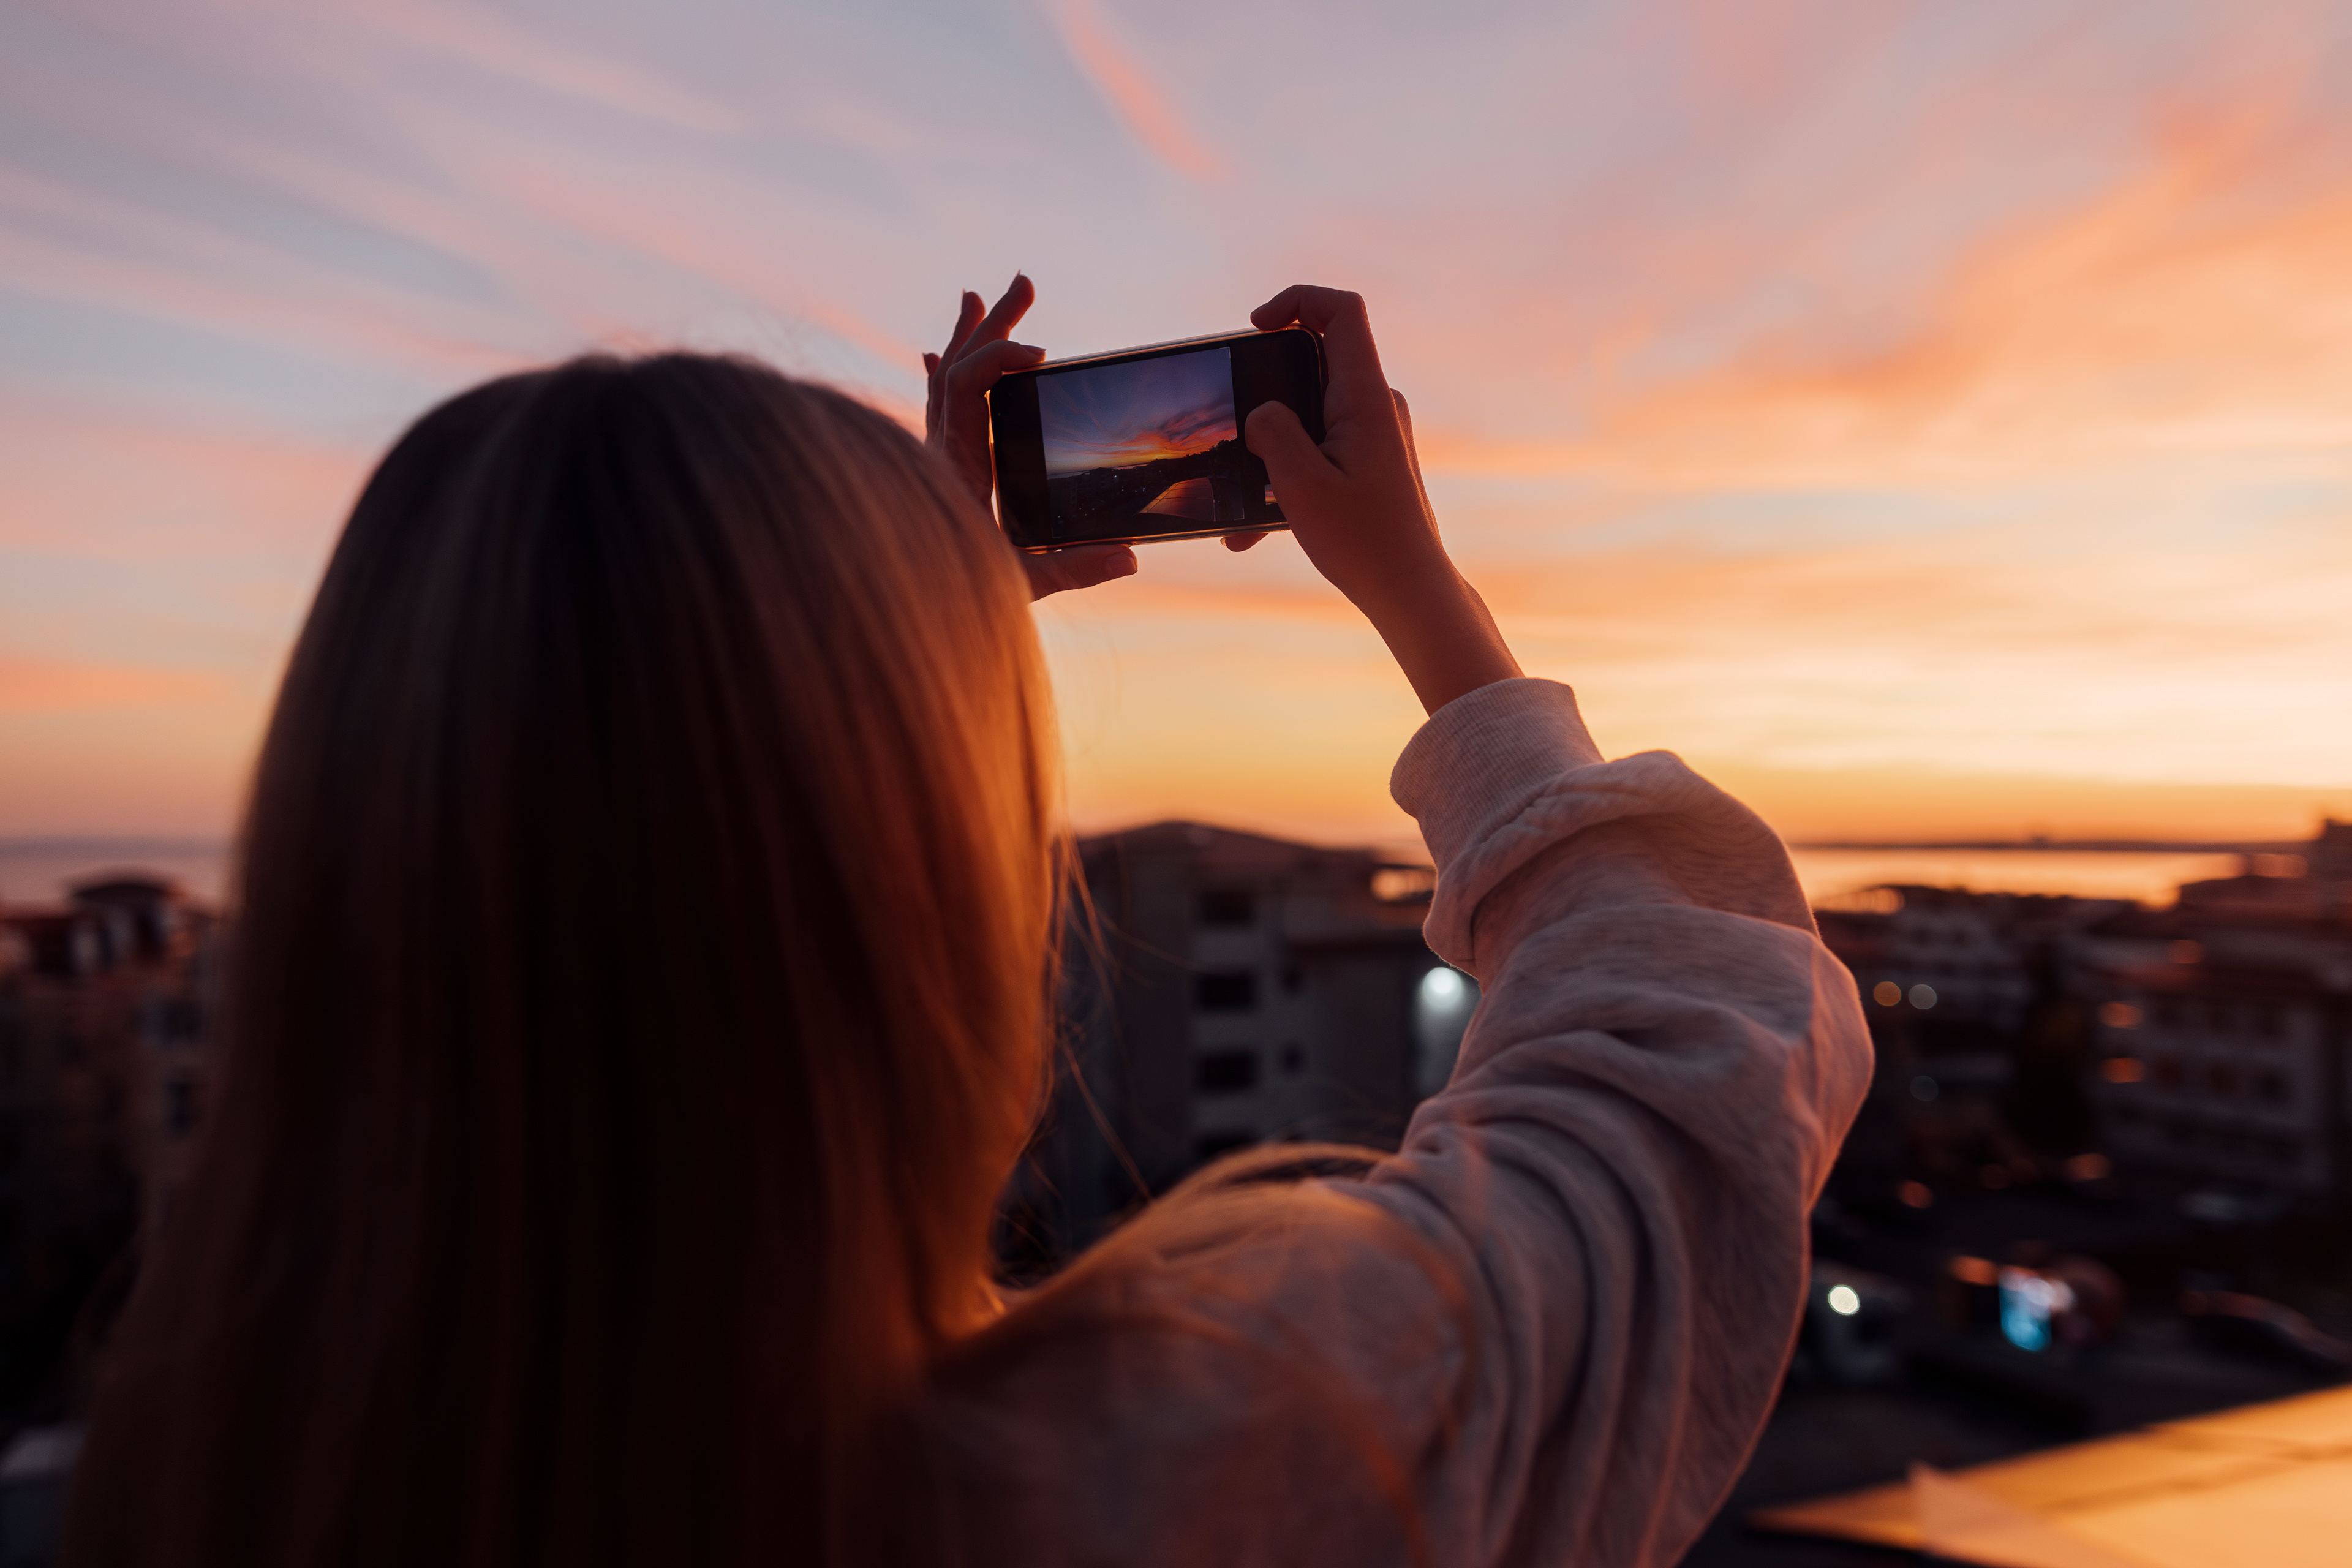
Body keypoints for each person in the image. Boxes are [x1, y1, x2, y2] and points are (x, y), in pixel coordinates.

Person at [62, 282, 1870, 1568]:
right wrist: (1422, 592)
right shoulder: (1183, 1463)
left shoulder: (195, 1472)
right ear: (912, 906)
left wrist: (900, 625)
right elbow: (1706, 1037)